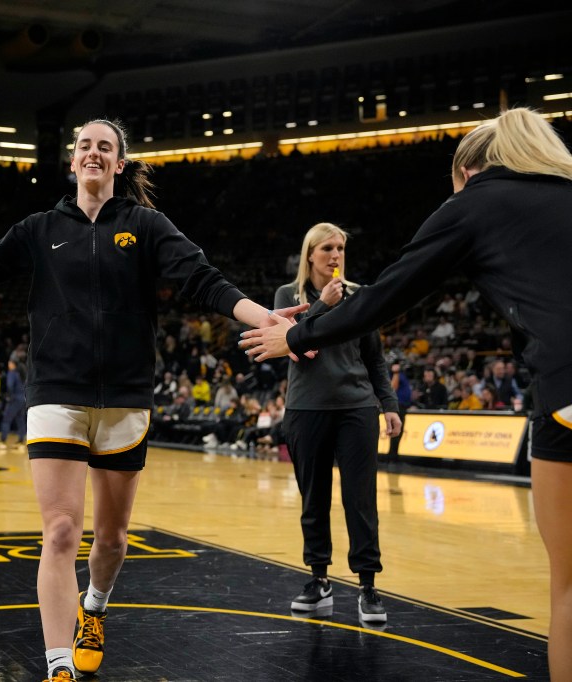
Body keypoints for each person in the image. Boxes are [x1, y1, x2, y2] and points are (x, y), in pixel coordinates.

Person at [0, 118, 307, 682]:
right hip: (56, 394)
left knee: (111, 540)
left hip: (126, 400)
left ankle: (95, 608)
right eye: (85, 145)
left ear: (119, 164)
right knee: (60, 531)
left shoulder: (148, 226)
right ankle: (58, 667)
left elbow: (205, 281)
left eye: (105, 147)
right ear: (73, 159)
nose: (93, 154)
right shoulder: (39, 227)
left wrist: (267, 317)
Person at [239, 107, 572, 680]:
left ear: (465, 171)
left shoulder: (475, 202)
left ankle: (359, 582)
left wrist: (295, 333)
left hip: (566, 390)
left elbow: (388, 297)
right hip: (313, 409)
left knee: (569, 587)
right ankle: (321, 575)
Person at [273, 223, 402, 623]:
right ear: (310, 254)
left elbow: (375, 357)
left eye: (341, 248)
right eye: (327, 247)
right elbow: (292, 344)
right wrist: (321, 307)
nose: (335, 255)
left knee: (361, 500)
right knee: (313, 501)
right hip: (306, 409)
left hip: (356, 408)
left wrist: (389, 404)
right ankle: (319, 580)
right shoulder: (287, 297)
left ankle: (368, 586)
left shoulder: (361, 296)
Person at [0, 359, 28, 449]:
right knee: (20, 420)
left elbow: (10, 386)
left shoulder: (12, 373)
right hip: (23, 399)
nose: (8, 365)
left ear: (12, 364)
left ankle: (3, 441)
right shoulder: (22, 374)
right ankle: (21, 440)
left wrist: (9, 396)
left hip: (15, 399)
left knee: (6, 419)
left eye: (9, 363)